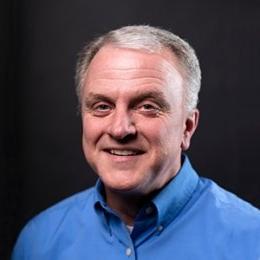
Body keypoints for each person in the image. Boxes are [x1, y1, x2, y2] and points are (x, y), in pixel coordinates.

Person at [12, 25, 260, 259]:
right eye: (102, 106)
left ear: (187, 127)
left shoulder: (252, 240)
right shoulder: (39, 241)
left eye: (147, 107)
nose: (120, 129)